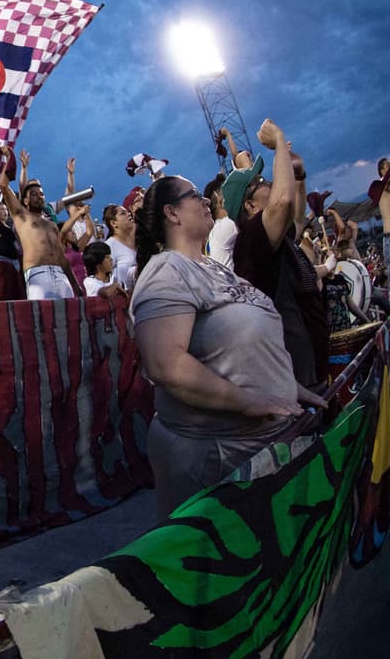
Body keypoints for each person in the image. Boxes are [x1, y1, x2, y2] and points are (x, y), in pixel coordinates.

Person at [130, 174, 325, 518]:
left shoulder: (215, 269)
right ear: (172, 214)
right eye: (195, 196)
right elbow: (166, 365)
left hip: (261, 451)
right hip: (215, 459)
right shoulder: (165, 271)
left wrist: (287, 386)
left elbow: (242, 345)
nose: (207, 200)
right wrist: (248, 400)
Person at [223, 120, 327, 390]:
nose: (269, 182)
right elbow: (283, 203)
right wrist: (278, 140)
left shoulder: (273, 237)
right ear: (250, 206)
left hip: (309, 365)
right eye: (261, 183)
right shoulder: (250, 239)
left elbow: (296, 216)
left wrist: (300, 176)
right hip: (296, 378)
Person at [0, 154, 83, 300]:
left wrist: (75, 285)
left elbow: (62, 257)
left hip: (60, 275)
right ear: (25, 200)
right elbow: (4, 186)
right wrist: (9, 158)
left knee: (69, 320)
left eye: (42, 194)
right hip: (37, 274)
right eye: (34, 194)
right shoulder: (21, 217)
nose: (40, 197)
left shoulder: (51, 224)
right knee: (44, 320)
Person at [102, 203, 138, 290]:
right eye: (123, 213)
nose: (128, 214)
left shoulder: (139, 240)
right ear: (113, 223)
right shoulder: (109, 246)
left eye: (128, 212)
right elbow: (104, 277)